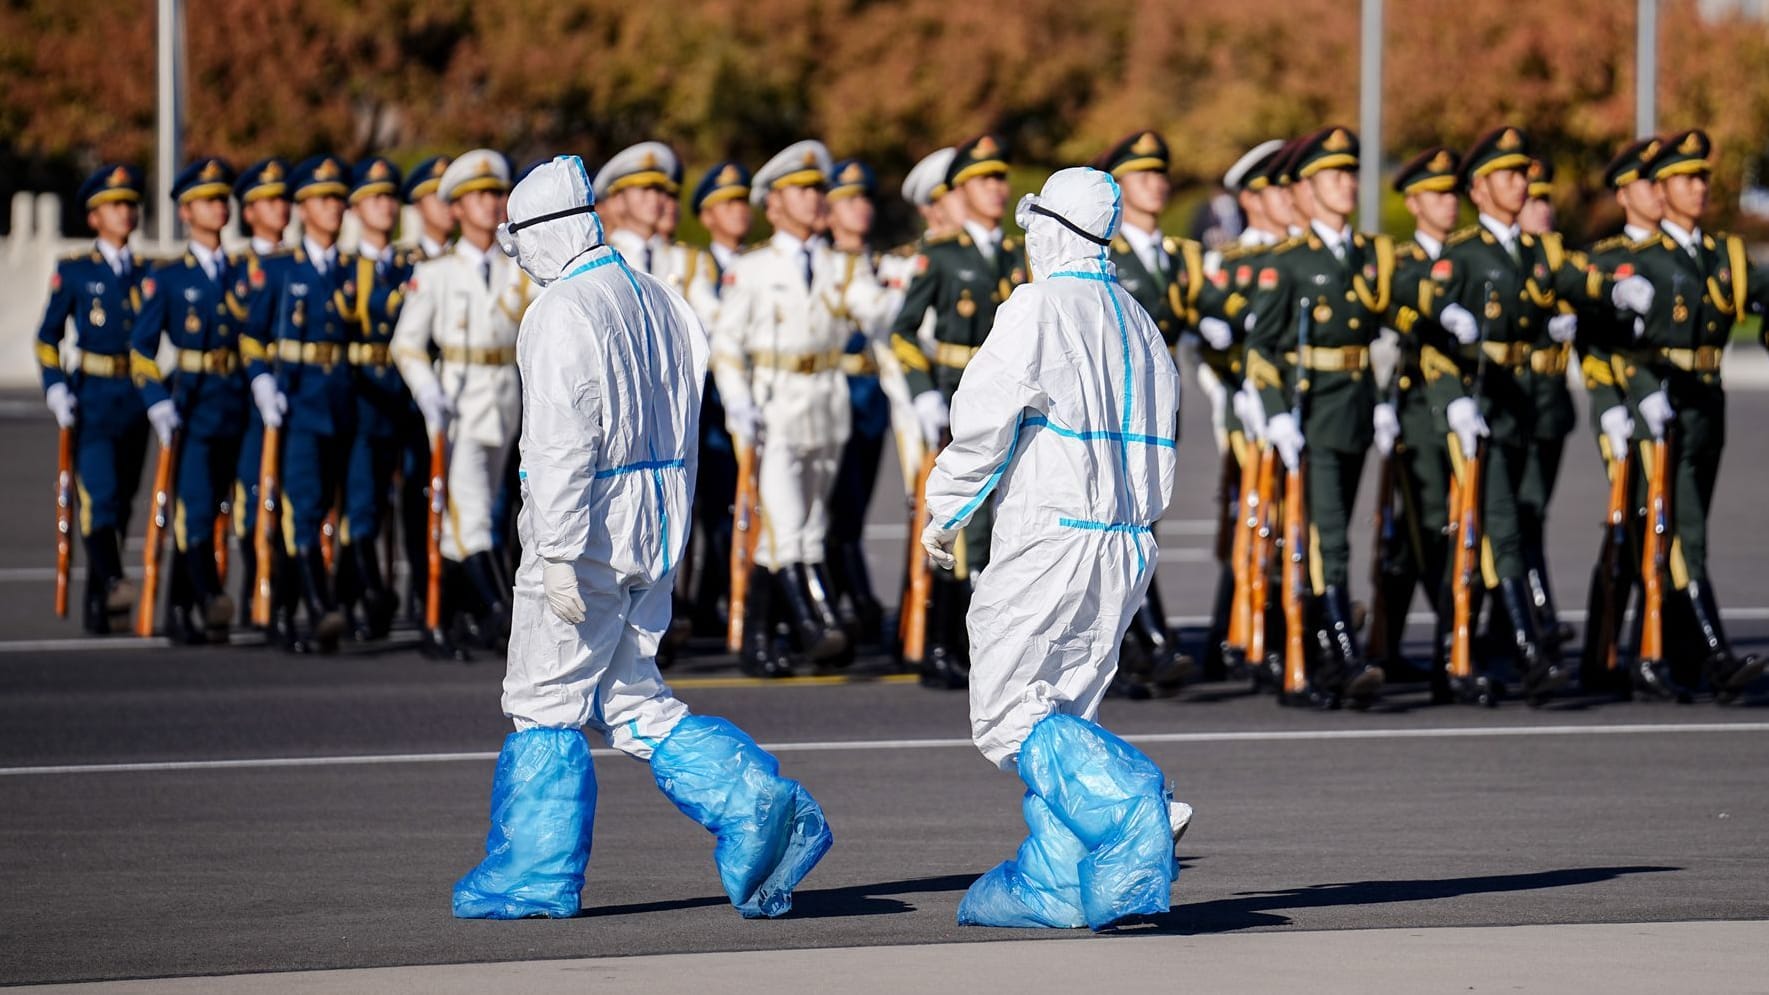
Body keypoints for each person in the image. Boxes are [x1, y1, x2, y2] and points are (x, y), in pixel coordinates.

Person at [453, 154, 831, 921]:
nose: (515, 254)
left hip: (587, 526)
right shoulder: (657, 295)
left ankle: (531, 875)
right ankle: (754, 805)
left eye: (519, 238)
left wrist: (556, 552)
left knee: (544, 701)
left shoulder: (561, 309)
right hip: (656, 522)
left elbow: (560, 444)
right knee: (634, 699)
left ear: (547, 231)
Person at [918, 167, 1186, 931]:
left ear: (1053, 229)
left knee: (1006, 710)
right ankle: (1059, 886)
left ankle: (1139, 804)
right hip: (1127, 543)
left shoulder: (1038, 306)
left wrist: (946, 507)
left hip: (1054, 532)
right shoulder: (1137, 318)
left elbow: (984, 418)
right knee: (1063, 707)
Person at [1415, 126, 1650, 705]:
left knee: (1514, 523)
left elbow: (1576, 276)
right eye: (1509, 175)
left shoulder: (1537, 250)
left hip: (1523, 400)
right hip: (1478, 400)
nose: (1521, 184)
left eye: (1524, 174)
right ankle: (1524, 647)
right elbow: (1424, 308)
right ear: (1479, 188)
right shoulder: (1462, 252)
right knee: (1494, 524)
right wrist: (1454, 383)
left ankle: (1477, 650)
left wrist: (1615, 290)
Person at [710, 140, 897, 676]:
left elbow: (875, 313)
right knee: (786, 520)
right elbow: (726, 344)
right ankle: (817, 622)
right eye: (804, 190)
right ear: (773, 204)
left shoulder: (842, 265)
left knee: (808, 524)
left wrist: (906, 290)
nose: (817, 198)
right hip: (775, 404)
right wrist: (738, 403)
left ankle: (761, 642)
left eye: (820, 188)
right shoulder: (753, 268)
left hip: (827, 402)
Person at [1611, 130, 1769, 701]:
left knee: (1690, 520)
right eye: (1685, 179)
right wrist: (1635, 392)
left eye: (1703, 177)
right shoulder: (1636, 260)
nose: (1698, 188)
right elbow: (1610, 340)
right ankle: (1713, 652)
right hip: (1661, 399)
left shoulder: (1724, 254)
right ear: (1659, 189)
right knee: (1679, 530)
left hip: (1708, 399)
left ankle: (1659, 655)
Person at [1244, 127, 1389, 708]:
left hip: (1352, 408)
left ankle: (1329, 656)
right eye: (1334, 175)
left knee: (1339, 531)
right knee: (1328, 538)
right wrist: (1276, 414)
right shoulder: (1291, 263)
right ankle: (1338, 651)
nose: (1347, 184)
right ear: (1307, 188)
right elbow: (1261, 348)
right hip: (1311, 412)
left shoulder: (1368, 254)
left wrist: (1379, 400)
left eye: (1351, 173)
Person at [889, 134, 1027, 688]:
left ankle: (989, 642)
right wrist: (922, 390)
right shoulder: (942, 255)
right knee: (959, 516)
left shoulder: (1022, 253)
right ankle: (946, 641)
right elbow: (902, 331)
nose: (995, 189)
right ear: (960, 191)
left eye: (1000, 178)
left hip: (1012, 396)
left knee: (1006, 519)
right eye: (981, 181)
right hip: (956, 395)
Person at [392, 150, 536, 658]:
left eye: (497, 193)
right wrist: (425, 389)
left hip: (505, 396)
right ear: (455, 208)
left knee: (471, 520)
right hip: (457, 398)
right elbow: (406, 343)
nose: (493, 203)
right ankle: (503, 614)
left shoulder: (520, 268)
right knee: (470, 513)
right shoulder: (435, 273)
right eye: (481, 196)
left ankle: (449, 622)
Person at [131, 157, 246, 645]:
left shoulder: (244, 272)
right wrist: (157, 399)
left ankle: (189, 606)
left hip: (235, 397)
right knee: (193, 507)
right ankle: (199, 599)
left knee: (223, 504)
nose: (219, 208)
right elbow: (141, 347)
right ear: (185, 213)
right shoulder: (169, 278)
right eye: (208, 201)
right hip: (193, 401)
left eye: (222, 199)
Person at [36, 164, 149, 635]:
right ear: (94, 217)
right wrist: (56, 386)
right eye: (114, 206)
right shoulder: (77, 271)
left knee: (123, 502)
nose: (124, 213)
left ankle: (100, 600)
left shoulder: (147, 274)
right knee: (99, 497)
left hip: (137, 396)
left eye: (129, 204)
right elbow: (48, 336)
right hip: (95, 395)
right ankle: (115, 583)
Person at [255, 155, 357, 653]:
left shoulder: (351, 269)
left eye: (339, 198)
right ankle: (316, 607)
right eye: (324, 199)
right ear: (302, 209)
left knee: (327, 511)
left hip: (339, 402)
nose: (334, 207)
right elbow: (250, 335)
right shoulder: (279, 270)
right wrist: (261, 381)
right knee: (302, 506)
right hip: (295, 402)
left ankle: (290, 611)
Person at [1573, 139, 1660, 693]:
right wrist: (1609, 405)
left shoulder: (1691, 257)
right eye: (1651, 183)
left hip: (1685, 410)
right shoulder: (1606, 263)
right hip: (1629, 411)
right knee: (1631, 528)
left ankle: (1662, 647)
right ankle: (1603, 650)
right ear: (1627, 192)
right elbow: (1593, 344)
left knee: (1668, 530)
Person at [1378, 146, 1462, 688]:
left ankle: (1385, 645)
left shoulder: (1469, 258)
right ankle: (1453, 640)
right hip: (1417, 412)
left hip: (1468, 413)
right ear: (1413, 202)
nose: (1448, 203)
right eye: (1436, 194)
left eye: (1452, 192)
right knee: (1428, 526)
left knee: (1416, 537)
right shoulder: (1402, 263)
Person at [336, 157, 414, 642]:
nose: (386, 206)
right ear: (357, 208)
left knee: (398, 500)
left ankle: (377, 593)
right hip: (362, 395)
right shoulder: (346, 269)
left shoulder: (411, 266)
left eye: (390, 197)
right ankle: (362, 594)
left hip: (404, 394)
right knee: (361, 501)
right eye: (375, 198)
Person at [677, 160, 752, 639]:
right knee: (704, 510)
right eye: (727, 204)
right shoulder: (697, 266)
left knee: (739, 506)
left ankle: (717, 599)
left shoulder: (758, 265)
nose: (739, 211)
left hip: (750, 398)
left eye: (742, 201)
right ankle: (700, 601)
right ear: (706, 216)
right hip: (708, 404)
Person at [232, 159, 303, 646]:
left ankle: (284, 597)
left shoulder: (300, 261)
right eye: (270, 200)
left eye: (284, 199)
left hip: (297, 393)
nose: (282, 208)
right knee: (251, 500)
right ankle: (253, 591)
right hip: (245, 402)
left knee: (296, 501)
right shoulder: (242, 268)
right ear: (250, 210)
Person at [822, 158, 891, 644]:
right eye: (847, 200)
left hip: (875, 393)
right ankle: (850, 597)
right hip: (833, 390)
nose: (859, 208)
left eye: (864, 198)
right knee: (831, 502)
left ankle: (852, 596)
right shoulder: (823, 266)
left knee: (858, 501)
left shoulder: (883, 264)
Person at [1514, 156, 1578, 650]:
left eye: (1546, 200)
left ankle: (1526, 619)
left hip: (1550, 405)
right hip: (1514, 402)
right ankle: (1536, 613)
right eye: (1534, 200)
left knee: (1533, 512)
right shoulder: (1506, 259)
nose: (1543, 210)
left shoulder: (1559, 257)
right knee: (1520, 512)